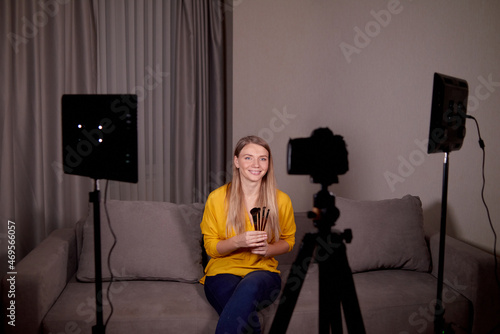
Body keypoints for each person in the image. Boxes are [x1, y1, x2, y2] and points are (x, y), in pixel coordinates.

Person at [200, 135, 296, 333]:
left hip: (264, 273)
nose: (256, 164)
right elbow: (211, 248)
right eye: (248, 157)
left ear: (269, 163)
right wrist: (237, 241)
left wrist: (269, 249)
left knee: (250, 285)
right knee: (243, 315)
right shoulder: (217, 198)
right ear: (236, 161)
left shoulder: (281, 200)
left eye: (263, 158)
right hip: (221, 272)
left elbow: (289, 241)